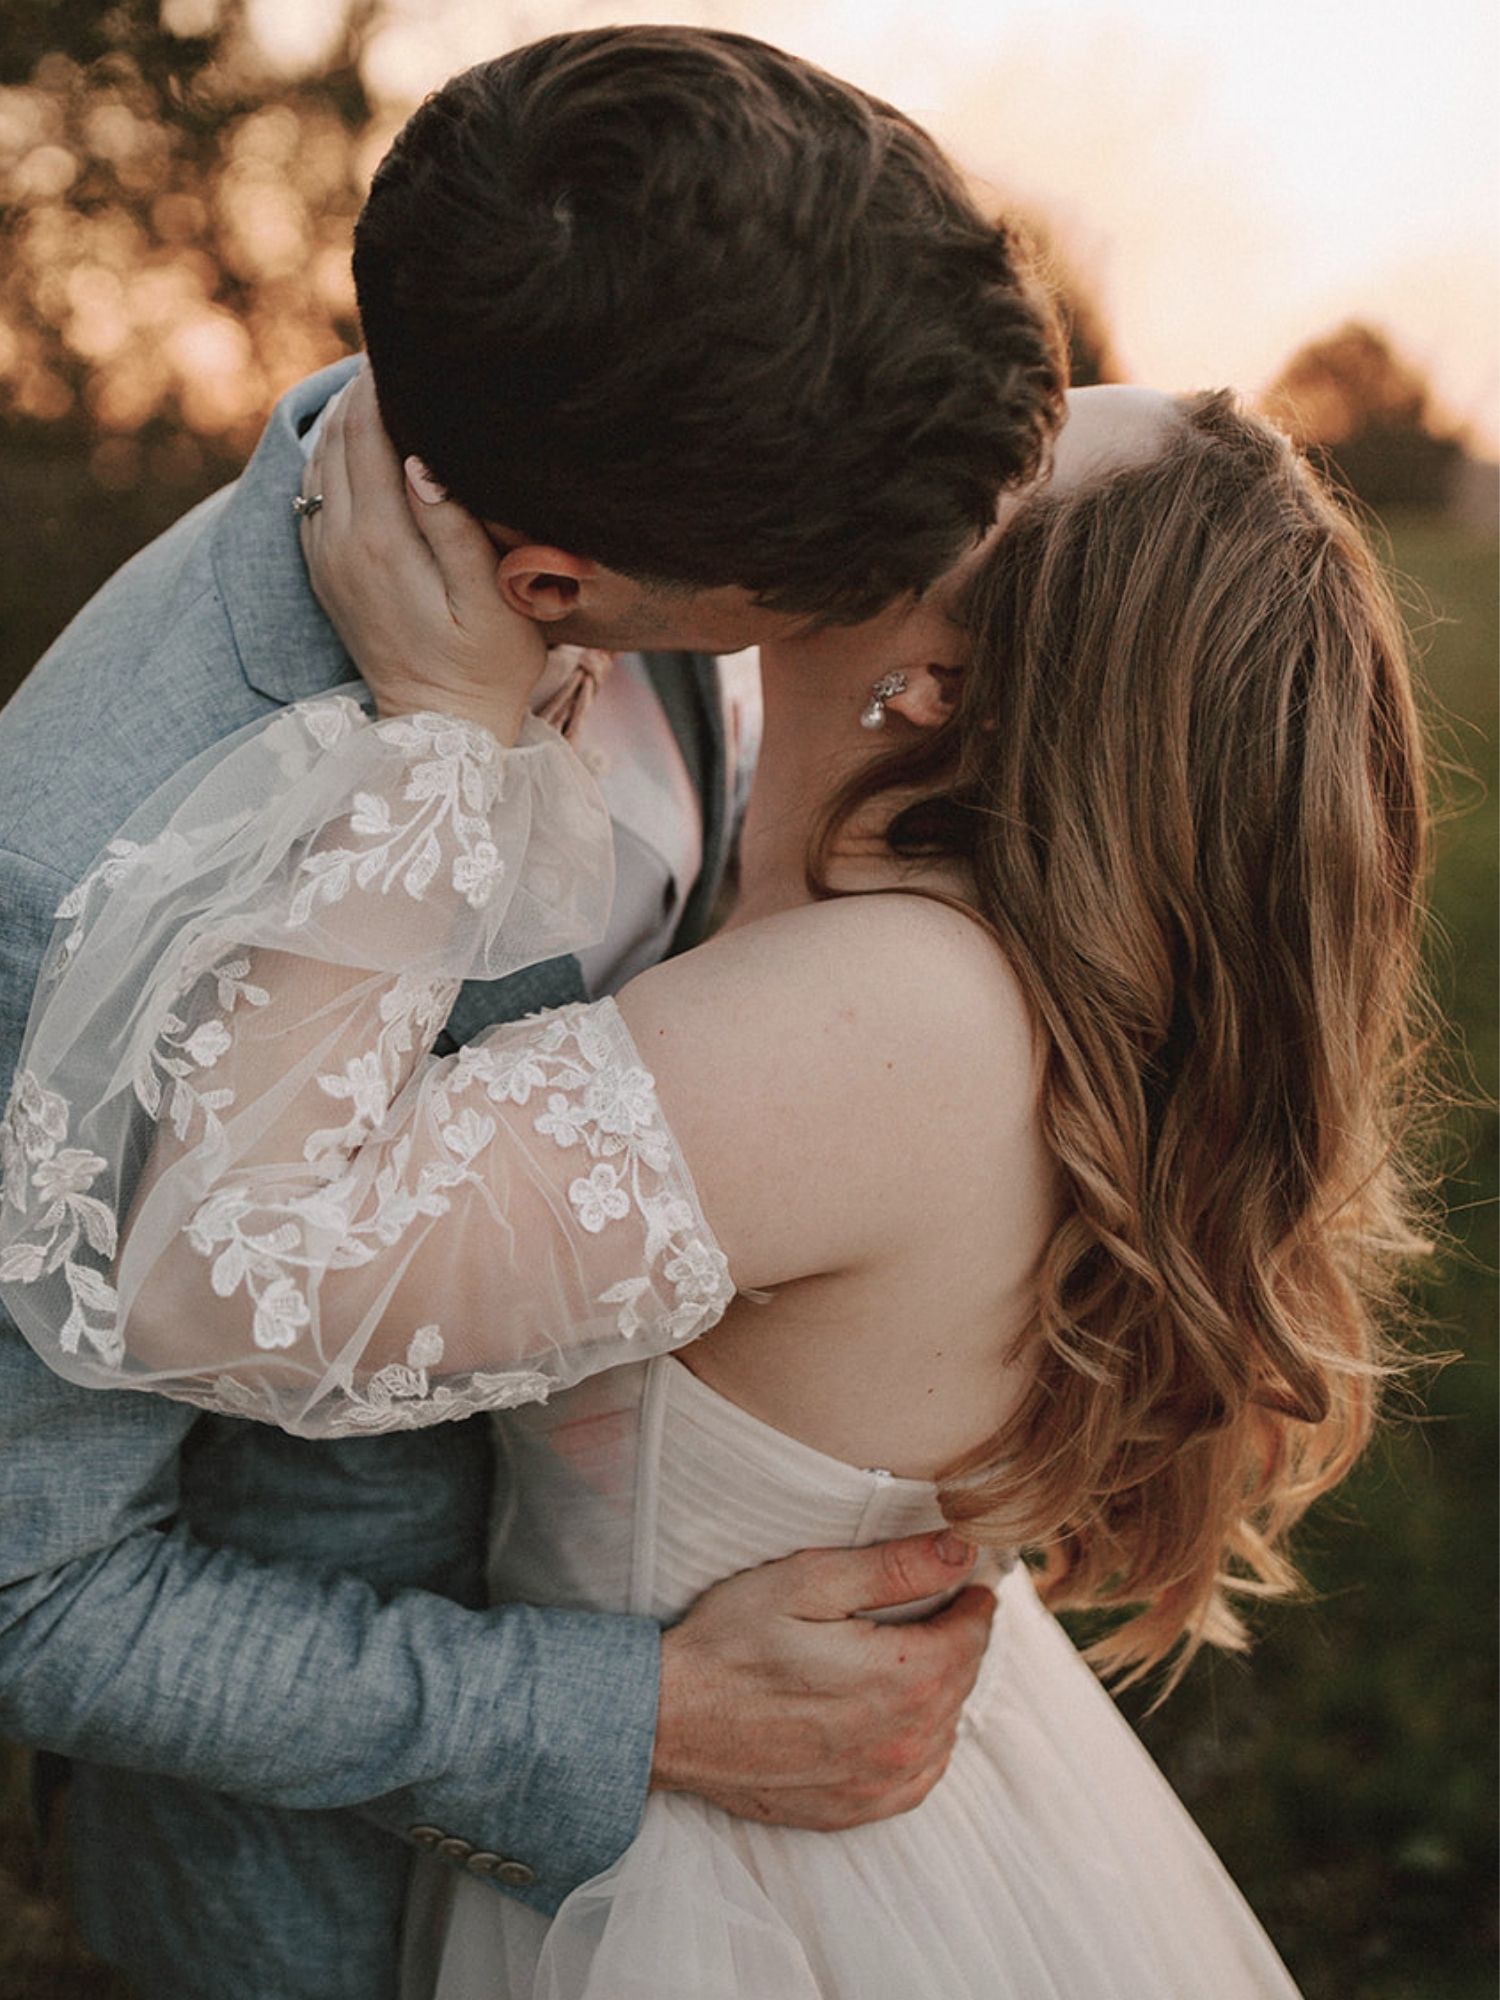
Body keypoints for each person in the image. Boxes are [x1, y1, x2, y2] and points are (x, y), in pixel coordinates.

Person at [0, 374, 1433, 1998]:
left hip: (714, 1886)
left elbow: (225, 1272)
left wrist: (441, 743)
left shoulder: (886, 1011)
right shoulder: (934, 949)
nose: (929, 442)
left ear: (940, 682)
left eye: (1001, 470)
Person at [0, 28, 1064, 1999]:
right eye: (799, 598)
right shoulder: (67, 870)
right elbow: (32, 1596)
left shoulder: (653, 465)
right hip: (331, 1909)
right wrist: (636, 1713)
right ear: (562, 578)